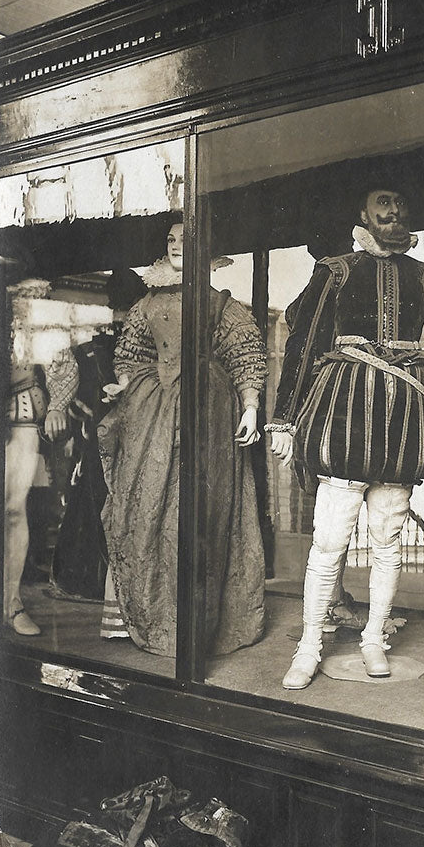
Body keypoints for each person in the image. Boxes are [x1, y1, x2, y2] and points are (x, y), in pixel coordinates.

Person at [268, 188, 424, 689]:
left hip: (403, 421)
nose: (393, 211)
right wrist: (284, 420)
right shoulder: (335, 271)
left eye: (401, 205)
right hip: (344, 414)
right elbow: (303, 342)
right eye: (383, 204)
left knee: (386, 544)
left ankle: (374, 640)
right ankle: (309, 645)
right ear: (362, 214)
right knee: (329, 543)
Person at [97, 220, 268, 657]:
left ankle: (201, 625)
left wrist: (249, 406)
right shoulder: (147, 305)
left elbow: (246, 354)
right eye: (170, 241)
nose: (176, 246)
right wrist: (127, 385)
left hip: (208, 412)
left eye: (184, 241)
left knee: (202, 509)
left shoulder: (220, 305)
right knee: (146, 504)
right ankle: (153, 616)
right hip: (152, 414)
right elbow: (131, 352)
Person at [50, 269, 149, 601]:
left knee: (105, 500)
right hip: (104, 436)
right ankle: (99, 584)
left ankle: (104, 585)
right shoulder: (94, 348)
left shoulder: (107, 345)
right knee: (98, 499)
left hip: (121, 434)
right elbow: (78, 399)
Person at [4, 277, 79, 636]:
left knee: (13, 509)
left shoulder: (31, 302)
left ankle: (11, 603)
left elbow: (59, 363)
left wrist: (57, 405)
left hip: (16, 413)